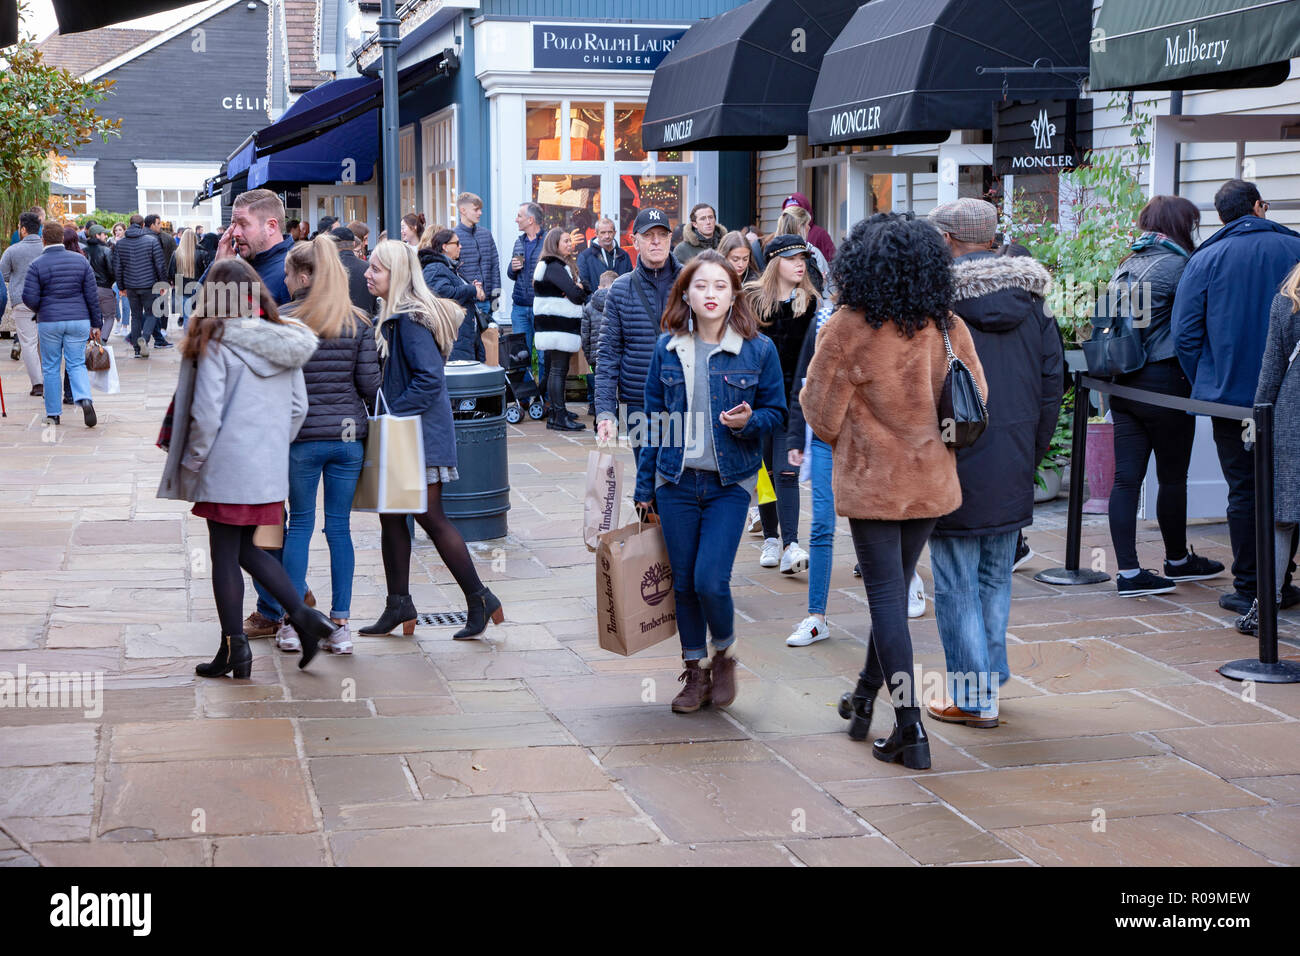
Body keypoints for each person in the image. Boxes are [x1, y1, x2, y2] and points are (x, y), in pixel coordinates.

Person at [802, 212, 987, 770]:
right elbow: (977, 397)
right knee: (894, 591)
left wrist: (855, 432)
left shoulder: (847, 326)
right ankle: (863, 698)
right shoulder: (947, 324)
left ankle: (910, 730)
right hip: (931, 478)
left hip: (874, 484)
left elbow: (819, 414)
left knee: (886, 601)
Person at [157, 258, 335, 678]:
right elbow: (298, 408)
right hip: (266, 466)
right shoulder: (286, 339)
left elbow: (206, 414)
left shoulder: (214, 339)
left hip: (224, 467)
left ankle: (236, 650)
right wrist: (269, 448)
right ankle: (304, 619)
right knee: (247, 550)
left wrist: (193, 462)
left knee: (225, 553)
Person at [923, 197, 1064, 728]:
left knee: (955, 581)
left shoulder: (934, 303)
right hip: (1011, 456)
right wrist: (1031, 448)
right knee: (994, 577)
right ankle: (989, 675)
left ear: (948, 241)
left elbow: (918, 387)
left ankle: (973, 696)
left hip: (952, 454)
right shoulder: (1034, 297)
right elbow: (1054, 381)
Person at [634, 250, 786, 713]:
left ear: (734, 292)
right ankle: (694, 672)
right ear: (685, 293)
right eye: (700, 286)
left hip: (729, 483)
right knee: (682, 583)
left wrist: (750, 421)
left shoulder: (758, 349)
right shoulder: (668, 346)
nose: (711, 294)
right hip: (674, 480)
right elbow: (652, 422)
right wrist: (644, 490)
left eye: (720, 285)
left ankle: (724, 653)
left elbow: (777, 412)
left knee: (710, 580)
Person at [360, 240, 506, 640]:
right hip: (410, 435)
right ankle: (399, 605)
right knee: (392, 517)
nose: (368, 274)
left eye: (376, 269)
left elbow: (429, 379)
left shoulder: (408, 321)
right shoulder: (396, 316)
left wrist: (391, 415)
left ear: (398, 276)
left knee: (430, 518)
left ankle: (480, 598)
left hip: (418, 438)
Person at [1173, 178, 1300, 614]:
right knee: (1287, 487)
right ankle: (1279, 580)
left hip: (1229, 397)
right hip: (1290, 396)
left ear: (1221, 216)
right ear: (1260, 206)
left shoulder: (1205, 257)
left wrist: (1207, 380)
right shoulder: (1294, 248)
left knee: (1244, 488)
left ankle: (1250, 585)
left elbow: (1185, 332)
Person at [1094, 196, 1226, 598]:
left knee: (1125, 480)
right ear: (1181, 224)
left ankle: (1130, 573)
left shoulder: (1127, 263)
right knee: (1171, 477)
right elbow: (1189, 328)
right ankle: (1176, 560)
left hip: (1123, 383)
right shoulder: (1180, 265)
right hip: (1165, 383)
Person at [279, 236, 381, 656]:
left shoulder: (284, 319)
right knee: (339, 528)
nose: (284, 281)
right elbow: (370, 386)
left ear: (303, 276)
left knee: (299, 526)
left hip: (300, 438)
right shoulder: (357, 320)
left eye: (287, 274)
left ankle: (291, 622)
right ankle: (340, 626)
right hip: (347, 438)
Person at [210, 189, 298, 638]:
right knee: (257, 526)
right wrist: (221, 264)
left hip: (266, 420)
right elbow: (203, 324)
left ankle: (278, 606)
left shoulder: (285, 273)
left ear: (270, 226)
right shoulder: (244, 267)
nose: (234, 231)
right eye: (232, 222)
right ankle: (287, 601)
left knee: (265, 524)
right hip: (254, 421)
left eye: (241, 223)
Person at [744, 235, 818, 575]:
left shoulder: (811, 303)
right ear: (775, 262)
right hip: (758, 400)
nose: (799, 263)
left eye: (802, 256)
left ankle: (791, 544)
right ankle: (771, 538)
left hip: (795, 401)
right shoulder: (751, 300)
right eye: (790, 258)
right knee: (765, 473)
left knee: (786, 472)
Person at [1239, 261, 1300, 634]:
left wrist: (1256, 426)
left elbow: (1271, 369)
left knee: (1282, 514)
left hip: (1293, 415)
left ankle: (1266, 606)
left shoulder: (1287, 302)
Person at [595, 207, 683, 467]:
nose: (656, 241)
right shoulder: (621, 288)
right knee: (646, 476)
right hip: (637, 402)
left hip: (682, 398)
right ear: (635, 241)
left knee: (677, 479)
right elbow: (608, 354)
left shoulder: (691, 282)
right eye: (648, 235)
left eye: (662, 234)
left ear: (670, 239)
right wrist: (605, 412)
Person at [22, 221, 102, 427]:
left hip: (49, 321)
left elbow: (28, 297)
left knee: (50, 367)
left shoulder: (36, 264)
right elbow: (92, 295)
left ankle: (53, 413)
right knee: (76, 363)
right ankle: (84, 398)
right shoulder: (80, 261)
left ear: (43, 239)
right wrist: (96, 323)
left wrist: (43, 307)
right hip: (79, 319)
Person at [532, 226, 588, 431]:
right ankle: (558, 416)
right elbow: (575, 294)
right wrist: (581, 289)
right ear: (554, 243)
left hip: (554, 324)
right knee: (558, 370)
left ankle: (557, 412)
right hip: (556, 324)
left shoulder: (554, 265)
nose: (569, 244)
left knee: (558, 370)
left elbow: (573, 291)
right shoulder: (553, 265)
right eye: (565, 241)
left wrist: (577, 288)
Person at [419, 226, 485, 362]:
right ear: (445, 246)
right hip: (453, 337)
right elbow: (443, 292)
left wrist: (471, 287)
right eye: (456, 243)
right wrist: (472, 290)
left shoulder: (447, 267)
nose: (460, 247)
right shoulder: (436, 267)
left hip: (461, 336)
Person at [2, 211, 47, 394]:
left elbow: (2, 275)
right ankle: (49, 379)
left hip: (21, 301)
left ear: (24, 229)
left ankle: (37, 384)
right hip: (46, 301)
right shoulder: (46, 249)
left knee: (28, 343)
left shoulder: (12, 250)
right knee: (44, 342)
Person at [111, 214, 169, 358]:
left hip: (131, 285)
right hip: (149, 284)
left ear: (129, 224)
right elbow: (160, 265)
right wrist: (163, 283)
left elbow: (117, 268)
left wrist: (121, 287)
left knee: (135, 317)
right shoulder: (151, 241)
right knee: (152, 313)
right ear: (143, 225)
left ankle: (137, 349)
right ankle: (146, 338)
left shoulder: (121, 243)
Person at [507, 202, 546, 377]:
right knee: (520, 357)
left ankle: (546, 401)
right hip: (520, 307)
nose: (516, 220)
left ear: (530, 220)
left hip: (542, 307)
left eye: (519, 216)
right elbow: (511, 274)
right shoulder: (519, 241)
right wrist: (512, 268)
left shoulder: (547, 241)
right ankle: (522, 400)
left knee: (545, 356)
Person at [453, 192, 501, 332]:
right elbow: (453, 272)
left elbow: (494, 266)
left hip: (487, 302)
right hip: (466, 303)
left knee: (489, 346)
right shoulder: (453, 236)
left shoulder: (486, 234)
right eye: (476, 209)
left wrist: (495, 299)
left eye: (480, 209)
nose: (480, 213)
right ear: (463, 210)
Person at [581, 269, 617, 419]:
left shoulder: (589, 307)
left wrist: (588, 355)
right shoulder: (619, 304)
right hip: (615, 353)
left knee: (598, 384)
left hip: (596, 355)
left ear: (599, 287)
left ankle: (596, 409)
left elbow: (585, 335)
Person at [329, 226, 377, 317]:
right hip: (366, 324)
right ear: (354, 243)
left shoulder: (327, 269)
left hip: (334, 326)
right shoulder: (368, 268)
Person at [577, 216, 632, 293]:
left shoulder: (623, 255)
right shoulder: (585, 257)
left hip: (620, 303)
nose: (607, 236)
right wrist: (595, 302)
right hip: (595, 304)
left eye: (610, 232)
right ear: (596, 234)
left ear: (615, 233)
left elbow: (629, 283)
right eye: (603, 232)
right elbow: (584, 287)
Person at [83, 224, 117, 343]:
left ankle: (91, 341)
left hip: (87, 289)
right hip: (104, 288)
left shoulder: (83, 250)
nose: (106, 236)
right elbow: (112, 270)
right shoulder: (106, 250)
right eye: (103, 234)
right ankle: (102, 341)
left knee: (92, 316)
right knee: (109, 317)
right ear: (97, 235)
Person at [169, 228, 209, 328]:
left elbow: (171, 273)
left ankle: (188, 340)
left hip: (182, 288)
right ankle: (198, 339)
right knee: (199, 316)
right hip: (198, 288)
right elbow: (207, 272)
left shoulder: (176, 253)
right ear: (195, 239)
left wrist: (175, 283)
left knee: (187, 316)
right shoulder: (202, 253)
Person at [781, 192, 836, 263]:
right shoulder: (777, 244)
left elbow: (833, 261)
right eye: (789, 215)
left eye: (798, 214)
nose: (792, 220)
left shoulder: (820, 234)